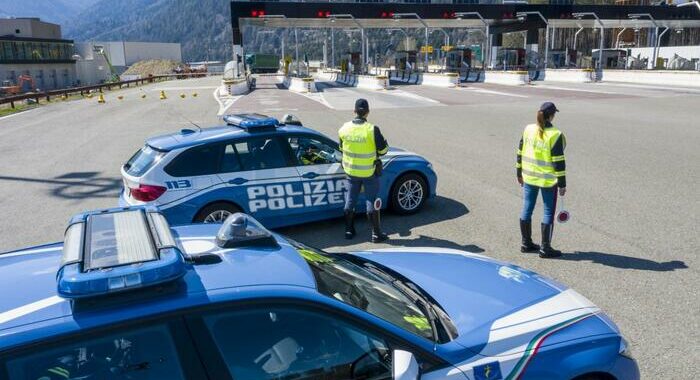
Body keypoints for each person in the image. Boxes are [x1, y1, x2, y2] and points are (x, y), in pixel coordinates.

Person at [516, 102, 567, 258]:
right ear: (552, 115)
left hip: (529, 177)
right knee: (547, 213)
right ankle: (545, 248)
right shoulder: (555, 134)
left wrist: (518, 172)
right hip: (547, 180)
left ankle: (526, 243)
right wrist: (562, 183)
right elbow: (559, 161)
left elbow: (520, 151)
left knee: (527, 208)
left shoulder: (528, 129)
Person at [339, 98, 389, 243]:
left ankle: (349, 231)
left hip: (351, 172)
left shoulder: (344, 128)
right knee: (371, 201)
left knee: (350, 200)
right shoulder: (372, 129)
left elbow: (341, 149)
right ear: (367, 112)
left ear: (354, 111)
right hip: (369, 173)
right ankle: (376, 234)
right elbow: (384, 150)